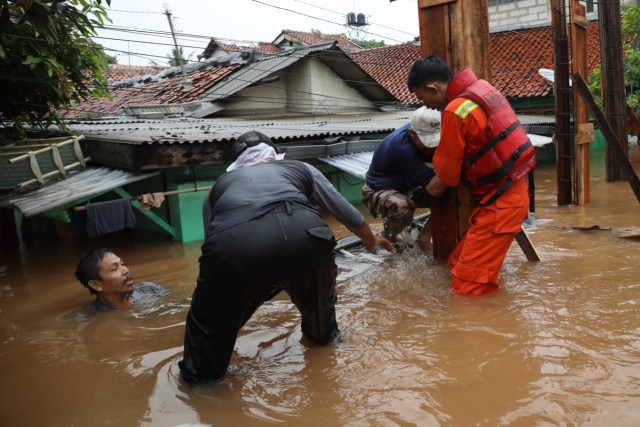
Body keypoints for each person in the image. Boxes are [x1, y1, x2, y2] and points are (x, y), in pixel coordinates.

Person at [179, 130, 393, 384]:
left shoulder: (218, 187)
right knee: (320, 313)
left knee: (206, 325)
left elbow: (212, 243)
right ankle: (325, 360)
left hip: (236, 247)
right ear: (274, 153)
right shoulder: (298, 168)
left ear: (235, 163)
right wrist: (370, 240)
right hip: (307, 238)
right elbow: (342, 208)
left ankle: (199, 391)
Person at [407, 54, 536, 296]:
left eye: (423, 98)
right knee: (457, 263)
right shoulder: (482, 88)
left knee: (467, 286)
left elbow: (448, 176)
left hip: (501, 205)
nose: (427, 106)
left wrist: (437, 162)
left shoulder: (455, 111)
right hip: (506, 196)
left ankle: (478, 331)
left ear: (432, 88)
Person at [362, 106, 445, 247]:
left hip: (412, 186)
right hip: (379, 191)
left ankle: (424, 238)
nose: (432, 148)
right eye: (428, 144)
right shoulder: (401, 148)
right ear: (412, 134)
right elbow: (434, 189)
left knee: (452, 193)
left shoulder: (434, 126)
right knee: (401, 207)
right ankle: (393, 243)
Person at [75, 247, 167, 311]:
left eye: (122, 264)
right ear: (96, 285)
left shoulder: (150, 289)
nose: (126, 270)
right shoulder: (91, 316)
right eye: (114, 269)